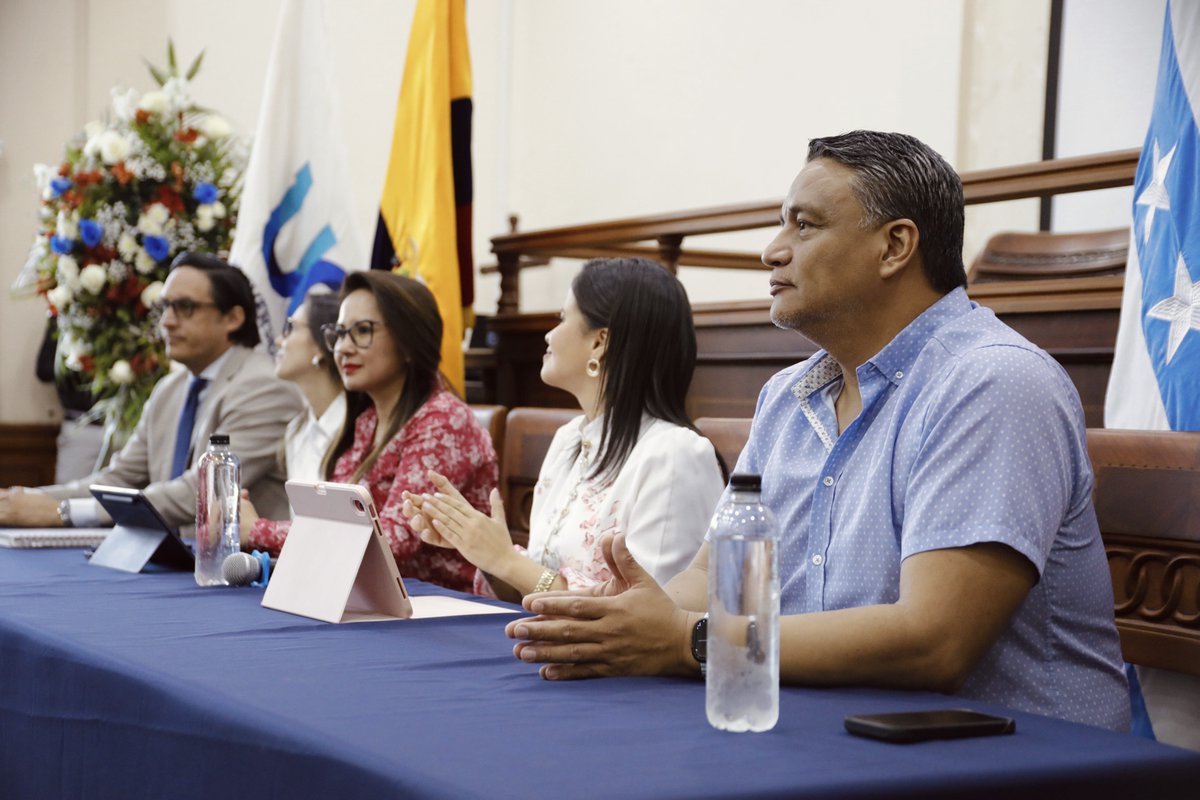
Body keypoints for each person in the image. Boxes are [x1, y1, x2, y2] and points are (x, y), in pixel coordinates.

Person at [505, 130, 1132, 732]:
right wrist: (632, 619)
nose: (772, 250)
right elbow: (712, 575)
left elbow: (935, 642)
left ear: (894, 246)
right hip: (828, 730)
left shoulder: (993, 383)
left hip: (1016, 760)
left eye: (804, 225)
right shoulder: (788, 396)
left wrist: (688, 640)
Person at [403, 258, 725, 602]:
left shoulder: (675, 455)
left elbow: (649, 619)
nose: (549, 334)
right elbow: (532, 584)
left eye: (561, 318)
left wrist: (507, 560)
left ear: (600, 343)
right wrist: (478, 549)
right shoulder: (570, 437)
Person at [0, 252, 303, 529]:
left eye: (185, 307)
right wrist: (24, 499)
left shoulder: (265, 385)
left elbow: (199, 493)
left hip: (241, 574)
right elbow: (118, 480)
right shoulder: (170, 388)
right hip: (172, 565)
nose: (167, 322)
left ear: (233, 318)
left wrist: (63, 512)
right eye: (165, 306)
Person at [242, 271, 498, 593]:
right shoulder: (367, 421)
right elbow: (335, 526)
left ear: (408, 343)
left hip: (441, 612)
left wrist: (257, 531)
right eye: (340, 333)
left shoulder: (444, 420)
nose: (343, 348)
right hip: (372, 601)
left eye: (362, 331)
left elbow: (387, 542)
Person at [274, 292, 346, 482]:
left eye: (291, 328)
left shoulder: (358, 428)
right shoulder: (296, 430)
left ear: (323, 343)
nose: (279, 340)